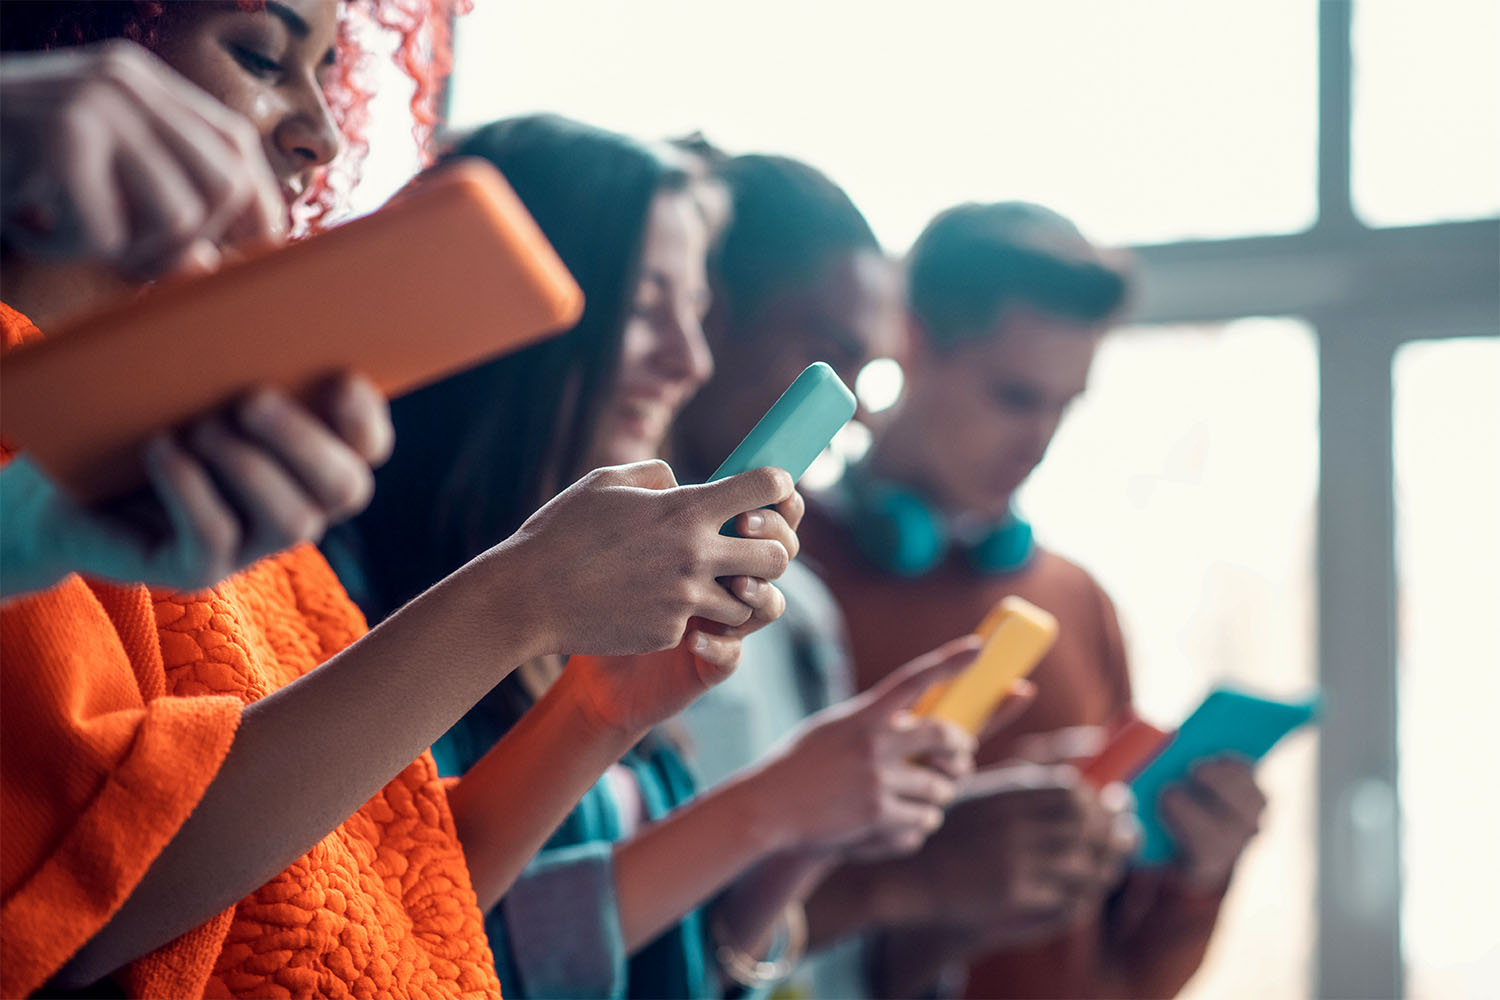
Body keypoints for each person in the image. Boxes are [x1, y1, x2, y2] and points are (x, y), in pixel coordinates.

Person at [0, 7, 799, 996]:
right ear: (57, 53)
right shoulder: (58, 426)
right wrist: (517, 600)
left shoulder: (201, 452)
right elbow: (80, 899)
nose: (320, 133)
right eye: (259, 55)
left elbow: (374, 894)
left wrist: (598, 709)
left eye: (327, 73)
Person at [329, 117, 997, 999]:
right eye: (648, 310)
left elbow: (686, 961)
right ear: (518, 311)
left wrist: (807, 836)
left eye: (693, 311)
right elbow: (389, 939)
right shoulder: (345, 591)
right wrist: (767, 809)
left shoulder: (604, 599)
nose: (690, 360)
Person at [797, 201, 1268, 998]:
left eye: (1064, 406)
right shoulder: (784, 573)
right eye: (1015, 397)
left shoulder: (1077, 605)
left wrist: (1198, 874)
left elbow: (1123, 975)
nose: (1039, 441)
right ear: (913, 342)